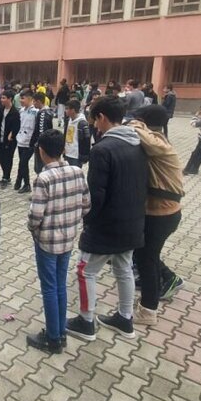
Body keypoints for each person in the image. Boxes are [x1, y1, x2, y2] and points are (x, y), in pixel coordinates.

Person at [67, 96, 148, 342]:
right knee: (123, 269)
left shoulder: (102, 149)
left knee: (85, 271)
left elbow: (96, 196)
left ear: (101, 117)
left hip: (107, 225)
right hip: (133, 221)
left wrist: (87, 221)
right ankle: (125, 318)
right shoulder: (138, 143)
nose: (94, 124)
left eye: (94, 119)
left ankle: (86, 320)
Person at [26, 129, 90, 354]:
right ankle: (60, 332)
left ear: (41, 152)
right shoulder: (77, 171)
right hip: (68, 239)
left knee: (50, 288)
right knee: (60, 284)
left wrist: (33, 229)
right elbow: (86, 205)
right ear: (63, 150)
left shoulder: (43, 178)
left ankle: (53, 338)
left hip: (47, 242)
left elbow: (35, 216)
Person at [127, 106, 187, 326]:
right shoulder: (156, 142)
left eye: (138, 121)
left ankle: (148, 310)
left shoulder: (160, 145)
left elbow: (147, 139)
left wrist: (133, 123)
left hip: (162, 215)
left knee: (146, 260)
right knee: (144, 254)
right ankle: (170, 279)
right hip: (157, 212)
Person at [14, 90, 38, 194]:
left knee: (23, 162)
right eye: (20, 98)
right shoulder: (21, 110)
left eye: (23, 98)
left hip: (30, 142)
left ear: (30, 99)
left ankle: (26, 184)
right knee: (22, 162)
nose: (21, 100)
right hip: (21, 140)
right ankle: (19, 181)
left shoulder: (35, 112)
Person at [0, 91, 20, 188]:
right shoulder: (0, 110)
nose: (2, 100)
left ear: (10, 99)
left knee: (8, 158)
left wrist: (12, 134)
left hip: (10, 140)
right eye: (1, 98)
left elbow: (17, 126)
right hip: (0, 138)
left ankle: (6, 177)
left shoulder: (15, 112)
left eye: (4, 98)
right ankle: (5, 175)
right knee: (0, 157)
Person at [31, 91, 55, 175]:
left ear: (38, 101)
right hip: (46, 143)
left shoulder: (42, 114)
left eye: (34, 101)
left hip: (42, 145)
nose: (33, 103)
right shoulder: (48, 111)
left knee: (40, 168)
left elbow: (41, 131)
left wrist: (38, 144)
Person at [63, 99, 91, 168]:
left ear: (73, 110)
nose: (65, 111)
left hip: (76, 155)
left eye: (67, 109)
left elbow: (86, 140)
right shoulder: (68, 121)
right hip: (67, 153)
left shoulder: (82, 123)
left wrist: (84, 156)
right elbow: (65, 135)